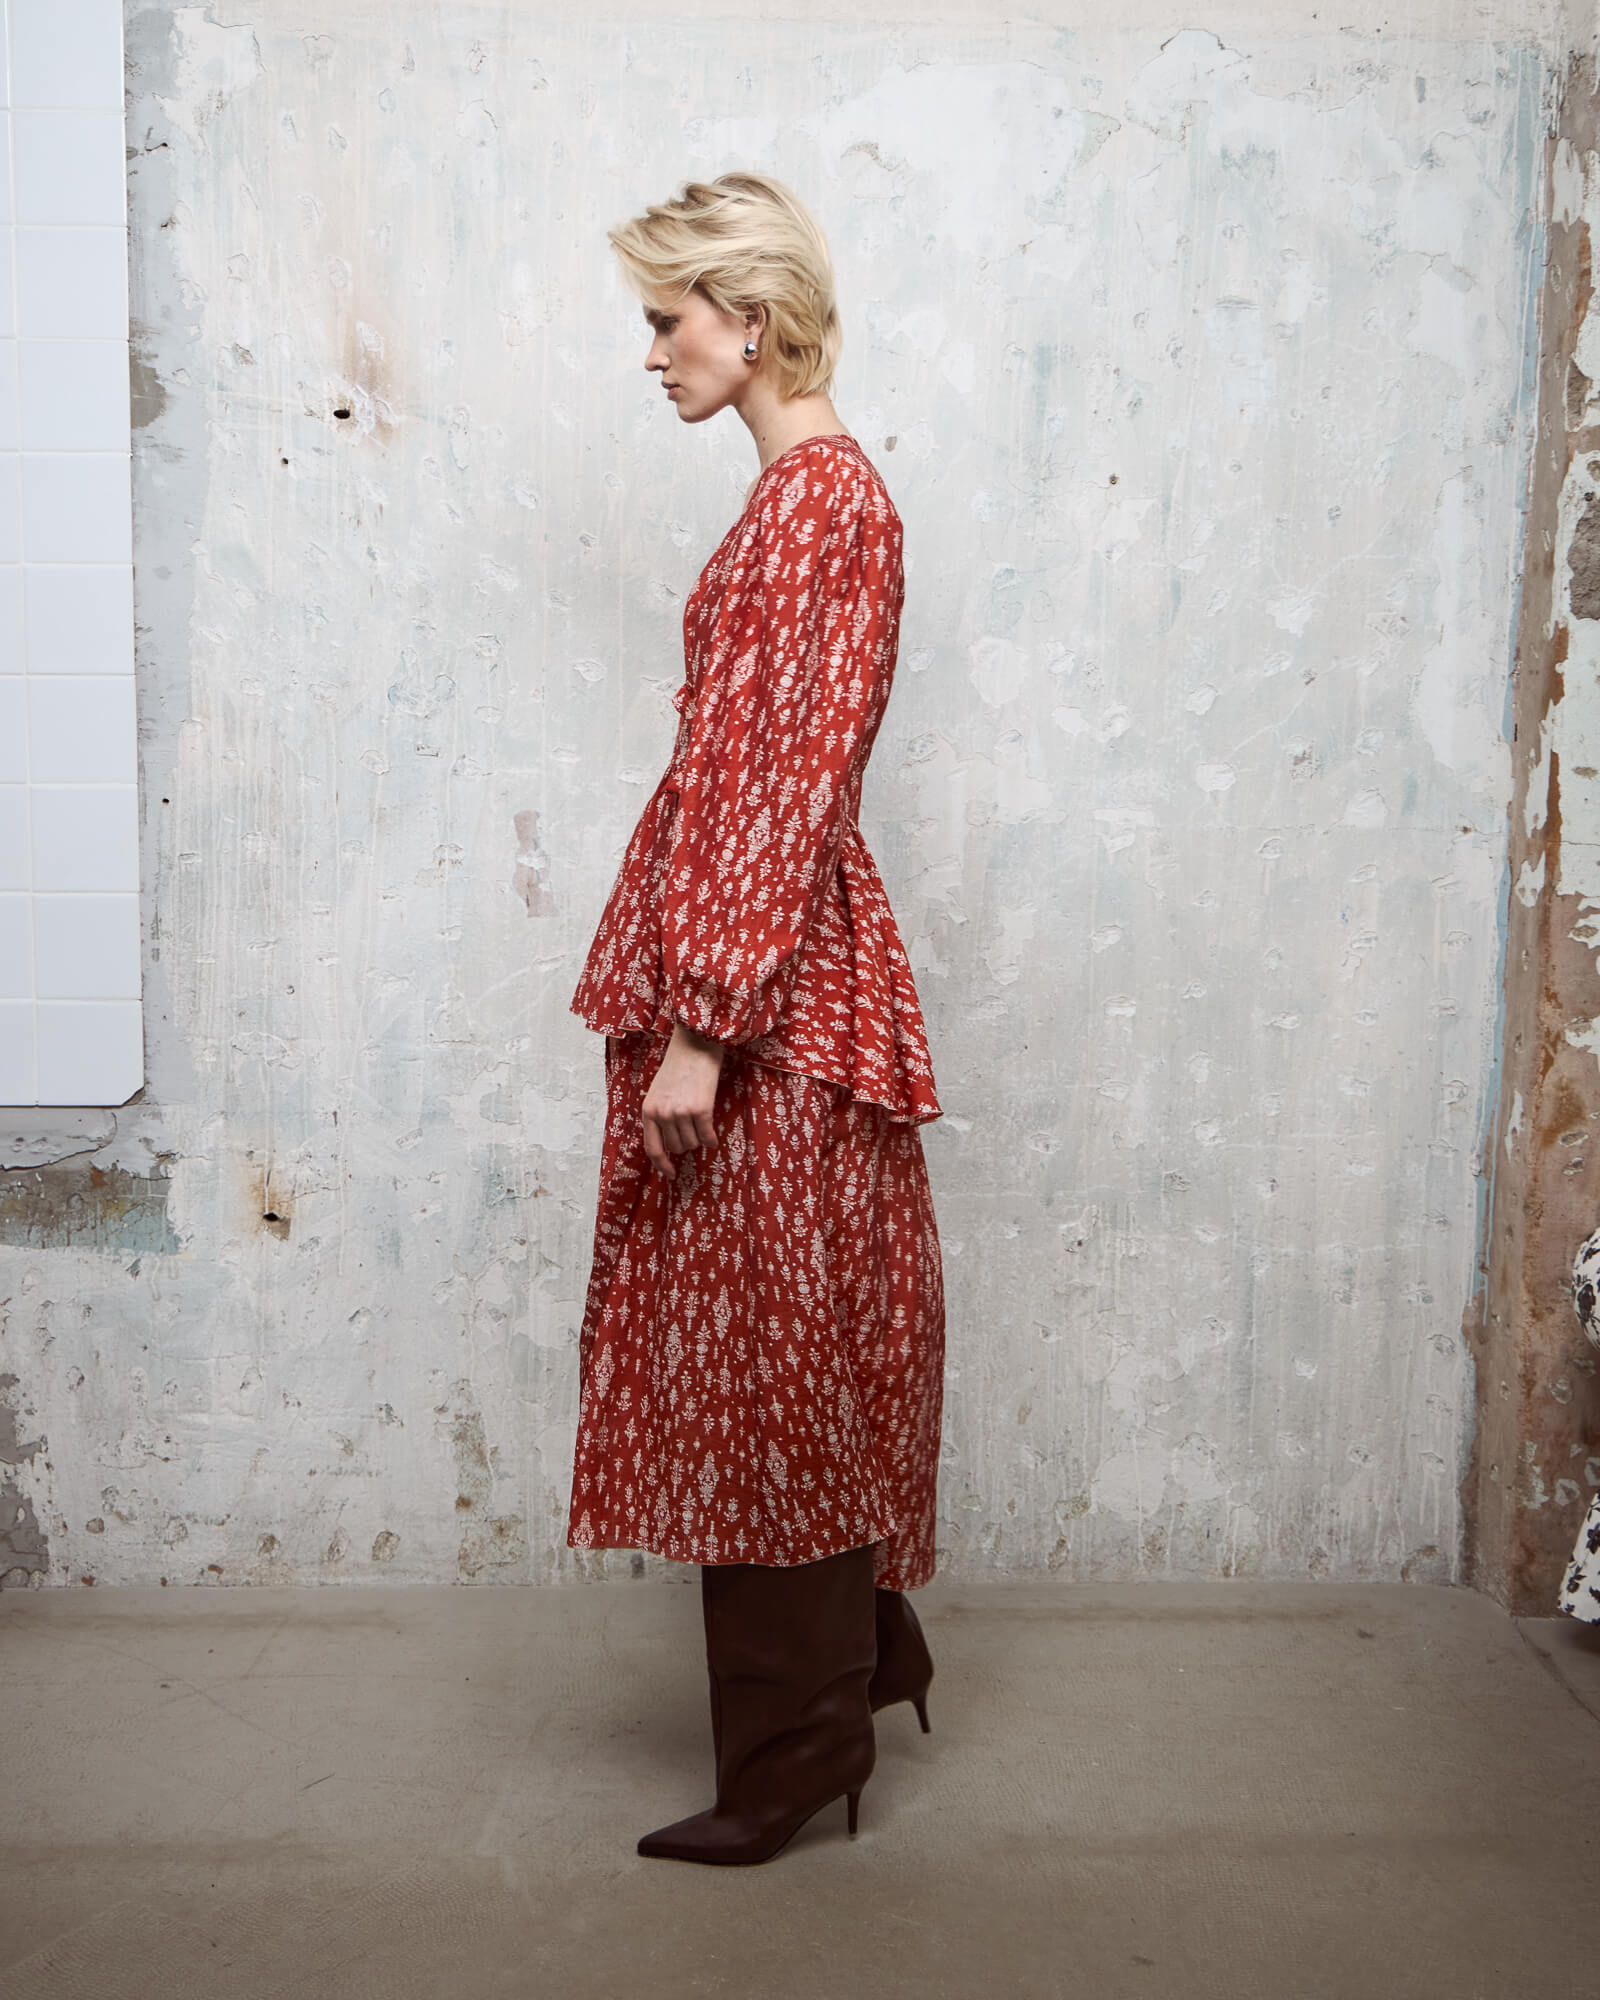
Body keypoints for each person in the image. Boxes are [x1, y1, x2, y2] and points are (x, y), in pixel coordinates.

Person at [566, 171, 947, 1866]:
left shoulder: (817, 506)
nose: (653, 352)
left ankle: (799, 1747)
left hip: (767, 992)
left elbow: (782, 781)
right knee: (778, 1336)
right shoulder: (810, 498)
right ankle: (859, 1659)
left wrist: (707, 1027)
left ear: (755, 319)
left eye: (669, 319)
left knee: (766, 1358)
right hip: (763, 957)